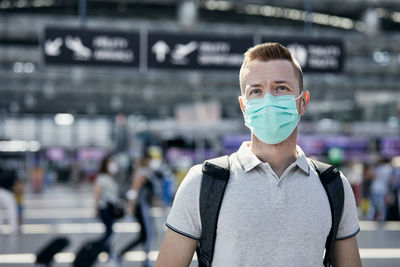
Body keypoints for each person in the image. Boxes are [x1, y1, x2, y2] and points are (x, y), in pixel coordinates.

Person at [155, 43, 361, 267]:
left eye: (280, 88)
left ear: (303, 102)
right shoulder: (204, 182)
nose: (268, 100)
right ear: (244, 107)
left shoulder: (334, 186)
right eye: (256, 91)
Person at [117, 153, 155, 267]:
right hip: (141, 207)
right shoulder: (143, 172)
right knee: (148, 234)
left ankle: (123, 254)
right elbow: (135, 190)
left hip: (143, 207)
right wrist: (131, 206)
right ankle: (146, 262)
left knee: (144, 235)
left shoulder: (143, 171)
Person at [94, 155, 120, 256]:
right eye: (110, 163)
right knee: (109, 231)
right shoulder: (102, 178)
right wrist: (96, 209)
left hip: (111, 208)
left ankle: (108, 251)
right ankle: (99, 247)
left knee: (110, 231)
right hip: (104, 208)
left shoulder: (111, 178)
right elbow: (97, 193)